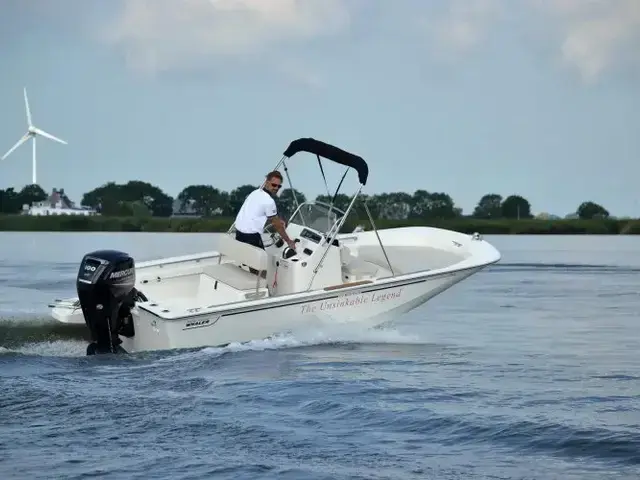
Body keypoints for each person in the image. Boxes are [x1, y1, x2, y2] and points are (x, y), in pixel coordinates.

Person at [234, 170, 296, 253]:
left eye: (279, 186)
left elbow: (256, 214)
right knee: (262, 261)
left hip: (238, 234)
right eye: (274, 185)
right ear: (267, 183)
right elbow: (276, 225)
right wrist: (288, 241)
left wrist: (277, 220)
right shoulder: (269, 201)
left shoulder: (255, 192)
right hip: (250, 237)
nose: (276, 188)